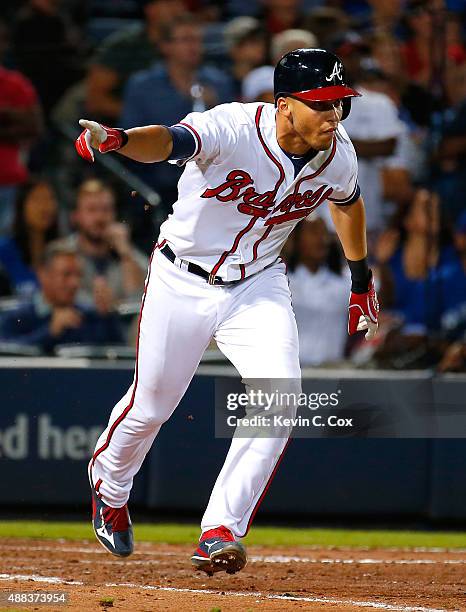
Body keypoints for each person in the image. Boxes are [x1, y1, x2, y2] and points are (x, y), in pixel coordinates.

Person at [75, 48, 379, 574]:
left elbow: (347, 202)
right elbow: (171, 140)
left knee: (279, 396)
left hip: (257, 283)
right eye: (323, 104)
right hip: (182, 276)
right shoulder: (234, 127)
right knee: (153, 405)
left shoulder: (338, 153)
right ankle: (110, 481)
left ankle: (220, 529)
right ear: (285, 105)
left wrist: (361, 279)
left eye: (340, 103)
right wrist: (120, 140)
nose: (335, 115)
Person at [120, 14, 234, 210]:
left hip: (213, 182)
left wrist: (214, 103)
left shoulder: (219, 82)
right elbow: (130, 134)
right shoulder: (143, 85)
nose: (194, 46)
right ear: (165, 46)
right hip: (157, 180)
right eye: (185, 40)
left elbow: (235, 133)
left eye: (197, 40)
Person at [0, 244, 123, 354]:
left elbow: (118, 354)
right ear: (43, 275)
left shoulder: (88, 316)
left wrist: (107, 316)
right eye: (66, 275)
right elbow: (7, 352)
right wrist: (50, 331)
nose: (75, 283)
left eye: (78, 275)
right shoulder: (18, 317)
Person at [85, 0, 187, 124]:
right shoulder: (124, 46)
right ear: (150, 9)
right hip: (124, 130)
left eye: (179, 3)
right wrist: (141, 113)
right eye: (169, 3)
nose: (177, 9)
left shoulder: (187, 48)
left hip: (173, 126)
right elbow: (96, 101)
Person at [52, 179, 147, 308]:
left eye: (106, 209)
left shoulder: (125, 250)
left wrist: (126, 254)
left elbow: (141, 297)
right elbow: (55, 298)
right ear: (76, 216)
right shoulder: (61, 253)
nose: (100, 217)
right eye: (92, 210)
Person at [0, 19, 43, 233]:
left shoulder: (16, 84)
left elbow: (35, 126)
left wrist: (5, 113)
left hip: (8, 179)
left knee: (5, 247)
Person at [288, 217, 349, 366]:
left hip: (333, 374)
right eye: (313, 232)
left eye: (324, 233)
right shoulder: (282, 282)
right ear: (295, 239)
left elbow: (380, 301)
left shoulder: (345, 282)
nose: (321, 239)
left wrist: (382, 263)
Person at [0, 178, 59, 298]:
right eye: (37, 199)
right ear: (21, 207)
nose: (45, 206)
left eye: (49, 199)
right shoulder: (3, 251)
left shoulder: (63, 249)